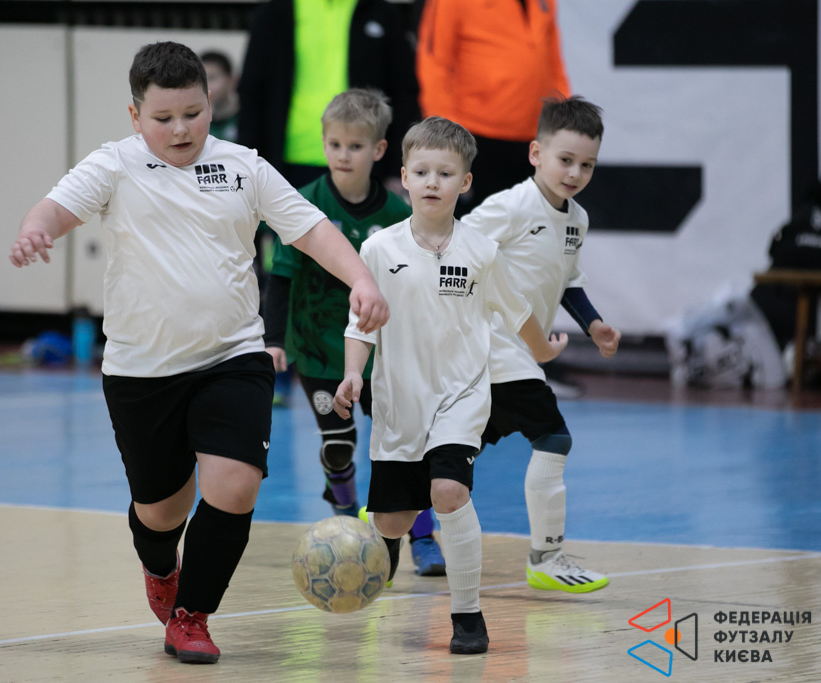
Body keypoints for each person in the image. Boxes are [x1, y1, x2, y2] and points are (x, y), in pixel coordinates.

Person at [8, 41, 389, 665]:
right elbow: (56, 209)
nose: (181, 129)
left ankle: (192, 616)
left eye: (193, 113)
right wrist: (35, 229)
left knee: (235, 487)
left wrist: (362, 280)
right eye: (163, 118)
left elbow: (311, 228)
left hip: (232, 357)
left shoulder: (243, 166)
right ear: (135, 115)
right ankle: (161, 567)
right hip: (141, 370)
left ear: (211, 103)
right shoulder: (114, 165)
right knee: (162, 512)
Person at [333, 116, 567, 654]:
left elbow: (518, 312)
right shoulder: (379, 249)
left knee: (449, 492)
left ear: (465, 182)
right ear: (404, 178)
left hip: (462, 398)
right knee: (392, 520)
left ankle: (467, 615)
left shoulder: (482, 251)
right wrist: (352, 373)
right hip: (399, 406)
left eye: (445, 173)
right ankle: (386, 546)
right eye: (421, 172)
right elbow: (360, 325)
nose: (432, 182)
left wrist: (543, 350)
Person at [264, 88, 446, 577]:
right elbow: (280, 277)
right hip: (319, 351)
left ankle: (423, 535)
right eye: (335, 145)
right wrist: (274, 340)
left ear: (379, 150)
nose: (343, 155)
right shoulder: (303, 206)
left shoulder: (398, 216)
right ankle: (347, 520)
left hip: (383, 355)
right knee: (339, 444)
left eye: (356, 146)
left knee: (404, 449)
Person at [461, 95, 618, 593]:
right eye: (565, 159)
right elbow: (456, 248)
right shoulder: (510, 206)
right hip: (492, 347)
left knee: (460, 449)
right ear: (536, 153)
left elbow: (567, 279)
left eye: (587, 165)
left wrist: (594, 325)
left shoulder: (577, 220)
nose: (575, 173)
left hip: (520, 351)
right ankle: (546, 558)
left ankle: (395, 504)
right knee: (554, 438)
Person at [237, 0, 420, 190]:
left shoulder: (382, 12)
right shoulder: (273, 12)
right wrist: (247, 164)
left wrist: (397, 166)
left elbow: (403, 92)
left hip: (364, 161)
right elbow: (251, 92)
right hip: (288, 161)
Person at [416, 0, 570, 215]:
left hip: (536, 139)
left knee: (528, 227)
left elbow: (553, 61)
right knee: (474, 228)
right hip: (475, 139)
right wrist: (445, 136)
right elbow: (434, 62)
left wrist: (564, 118)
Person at [201, 51, 239, 142]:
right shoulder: (195, 123)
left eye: (211, 78)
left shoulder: (250, 120)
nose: (205, 86)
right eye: (200, 79)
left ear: (232, 80)